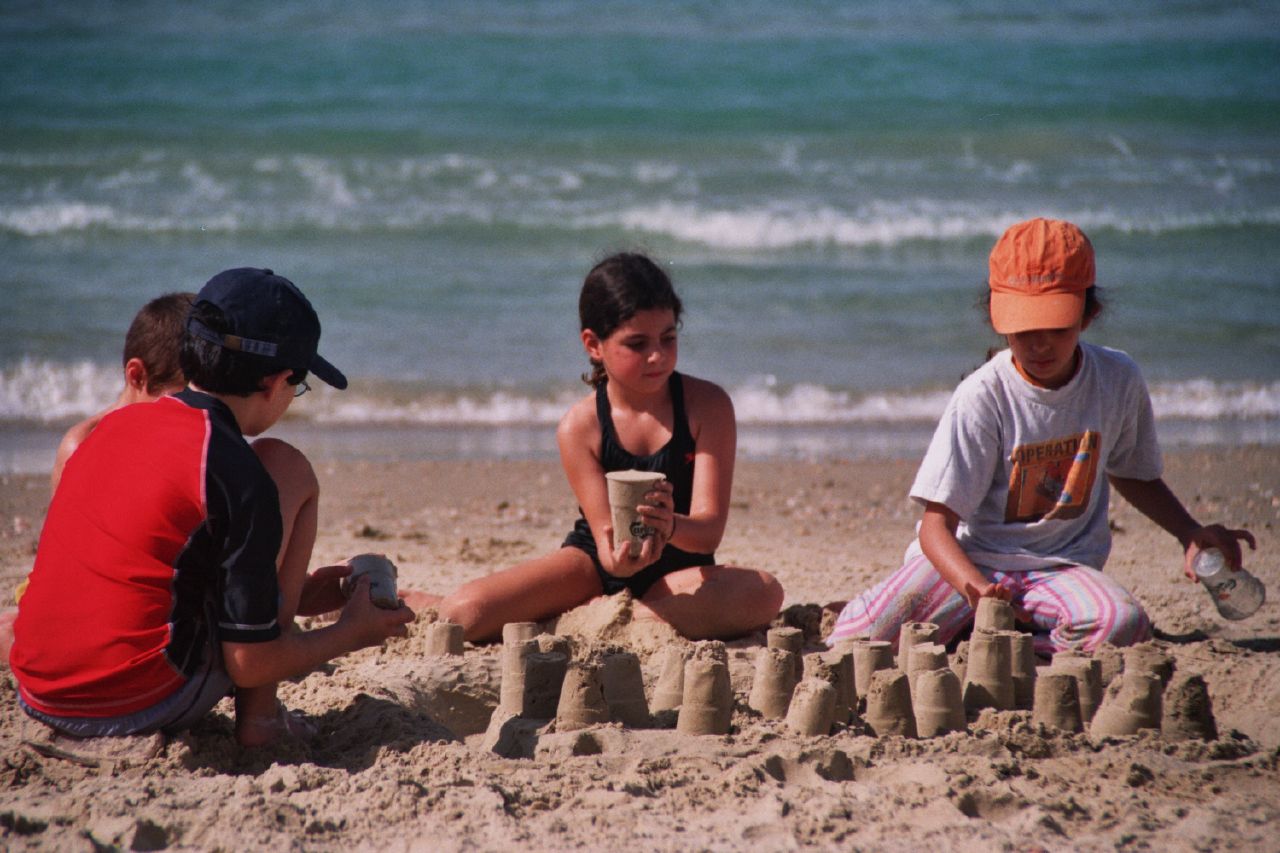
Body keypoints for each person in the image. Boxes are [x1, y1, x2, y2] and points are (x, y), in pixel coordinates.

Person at [10, 268, 414, 747]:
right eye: (299, 385)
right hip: (130, 701)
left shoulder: (109, 431)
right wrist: (350, 632)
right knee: (289, 467)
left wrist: (298, 593)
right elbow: (250, 662)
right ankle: (261, 720)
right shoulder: (235, 470)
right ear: (276, 381)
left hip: (37, 690)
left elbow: (147, 568)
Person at [826, 218, 1255, 656]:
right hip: (971, 562)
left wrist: (1189, 532)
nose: (1040, 345)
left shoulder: (1116, 379)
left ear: (1090, 315)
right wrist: (978, 590)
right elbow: (937, 529)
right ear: (998, 320)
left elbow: (1132, 472)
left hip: (1060, 568)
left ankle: (1004, 647)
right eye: (1024, 330)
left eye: (1057, 328)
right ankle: (983, 628)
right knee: (858, 639)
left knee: (1122, 625)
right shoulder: (982, 395)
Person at [436, 252, 784, 643]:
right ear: (593, 344)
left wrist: (668, 526)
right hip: (594, 568)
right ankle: (630, 618)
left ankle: (614, 619)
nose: (658, 355)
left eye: (668, 338)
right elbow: (605, 542)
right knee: (460, 614)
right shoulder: (580, 426)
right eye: (637, 343)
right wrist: (616, 559)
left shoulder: (708, 406)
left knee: (765, 591)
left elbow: (707, 534)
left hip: (680, 572)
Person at [0, 292, 195, 664]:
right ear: (136, 375)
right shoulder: (83, 445)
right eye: (181, 398)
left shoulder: (183, 443)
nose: (193, 413)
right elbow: (73, 567)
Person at [51, 291, 196, 491]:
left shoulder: (194, 443)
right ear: (136, 376)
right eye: (185, 396)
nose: (199, 409)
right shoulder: (83, 446)